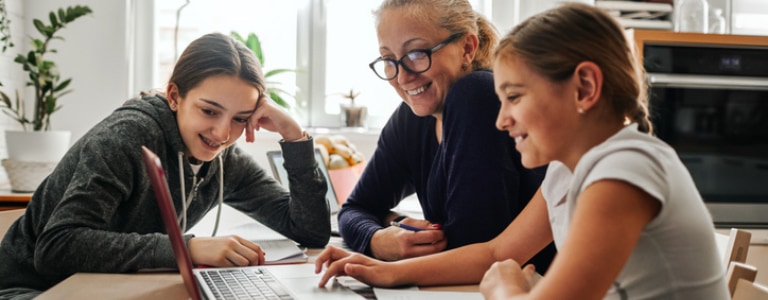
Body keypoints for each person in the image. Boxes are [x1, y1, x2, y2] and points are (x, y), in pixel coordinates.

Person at [315, 3, 729, 299]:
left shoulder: (624, 170)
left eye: (514, 97)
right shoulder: (570, 172)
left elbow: (505, 272)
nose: (501, 119)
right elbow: (497, 252)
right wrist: (385, 271)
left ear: (584, 88)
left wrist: (507, 290)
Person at [0, 32, 330, 299]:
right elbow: (56, 247)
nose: (222, 133)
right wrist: (188, 248)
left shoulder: (225, 159)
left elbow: (310, 231)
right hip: (34, 289)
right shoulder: (126, 138)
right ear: (174, 95)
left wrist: (295, 136)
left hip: (109, 286)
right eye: (209, 111)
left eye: (240, 119)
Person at [338, 0, 555, 269]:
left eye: (416, 53)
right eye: (388, 60)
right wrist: (378, 238)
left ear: (467, 48)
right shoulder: (413, 117)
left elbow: (471, 245)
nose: (402, 78)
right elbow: (354, 209)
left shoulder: (477, 95)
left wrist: (388, 249)